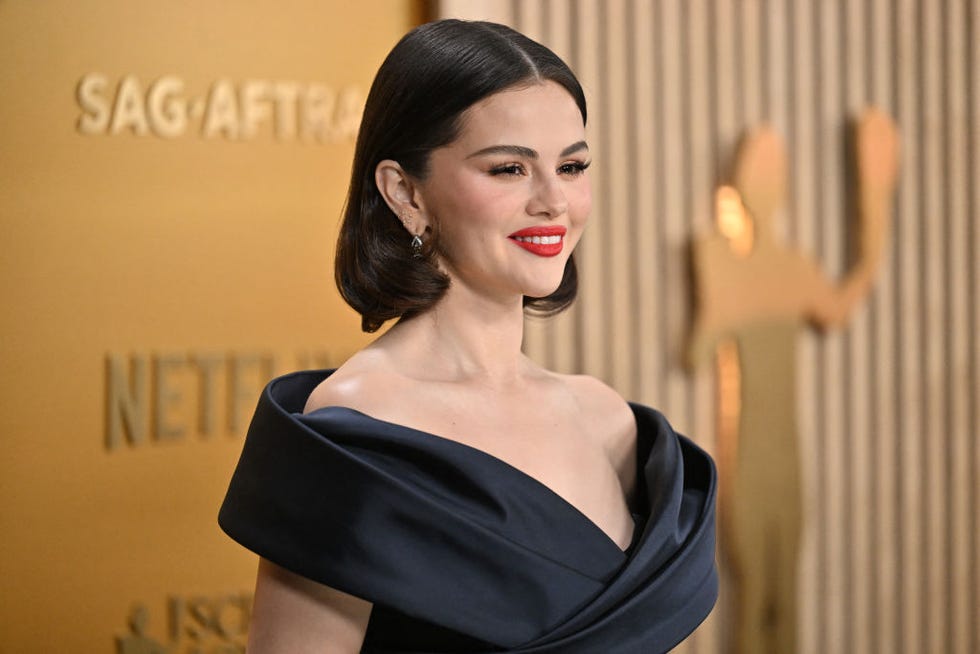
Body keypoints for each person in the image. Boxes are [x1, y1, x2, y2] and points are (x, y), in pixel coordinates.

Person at [219, 19, 717, 653]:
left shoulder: (608, 422)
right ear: (404, 192)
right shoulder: (357, 429)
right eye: (509, 168)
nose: (553, 202)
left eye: (571, 166)